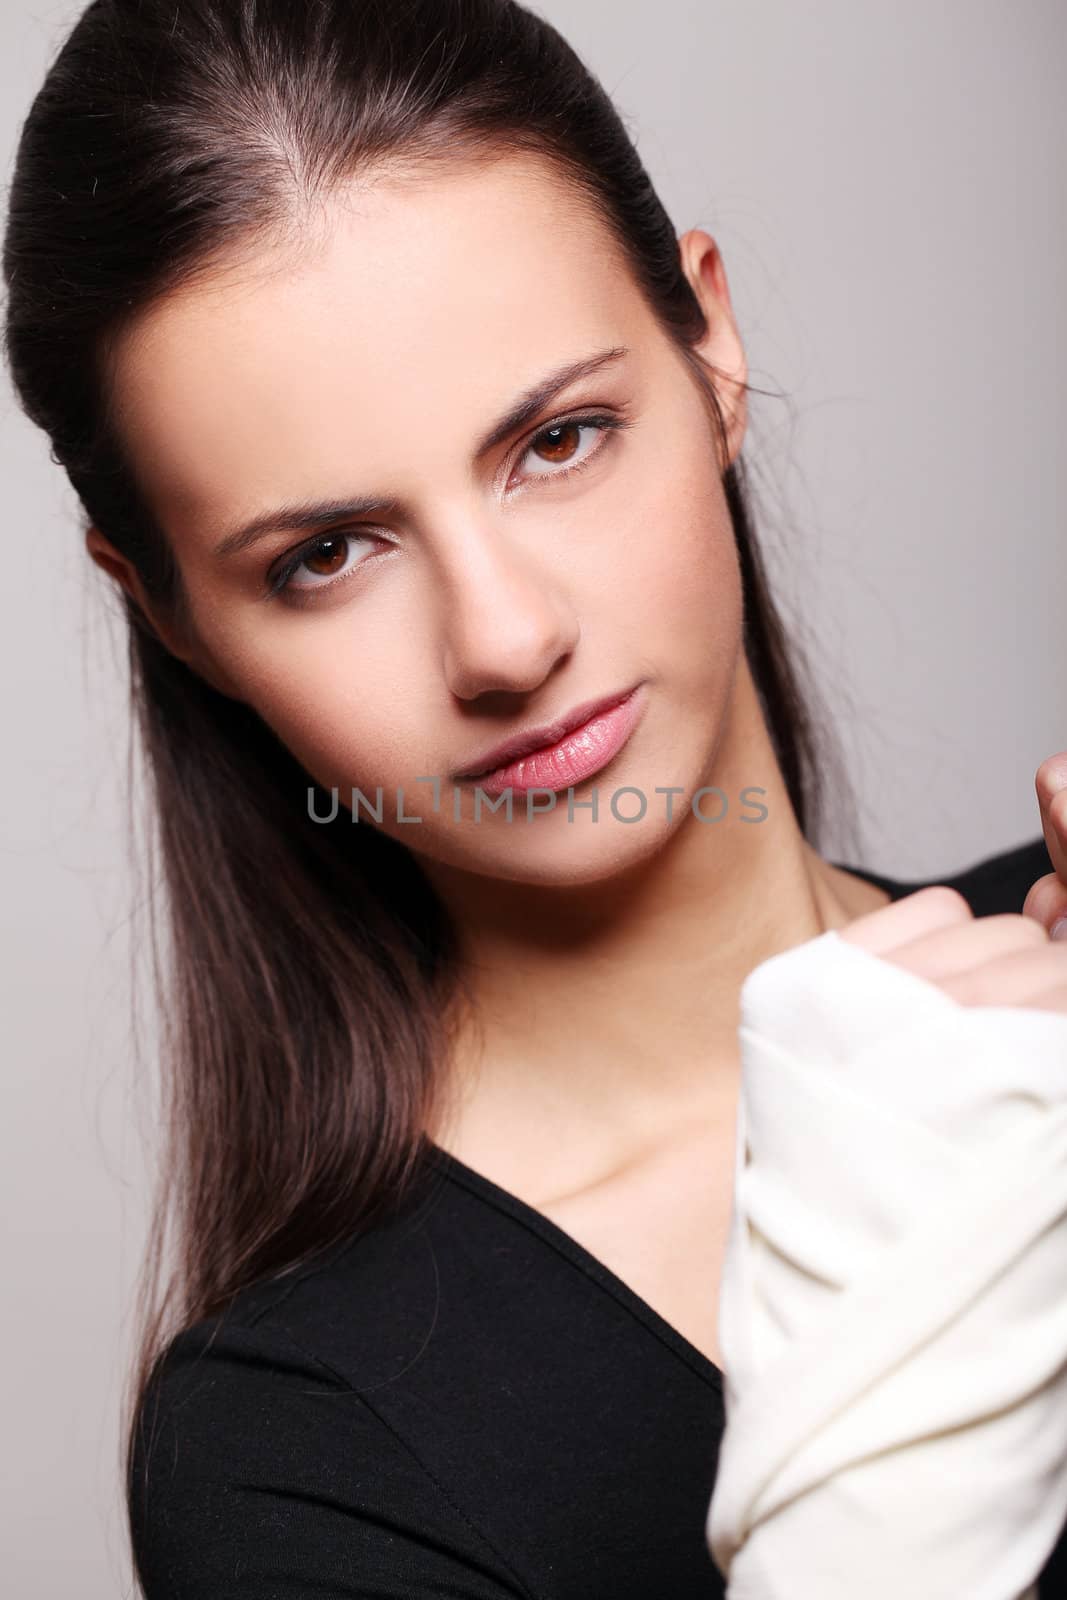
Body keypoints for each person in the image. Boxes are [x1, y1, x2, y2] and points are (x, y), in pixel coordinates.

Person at [3, 1, 1065, 1594]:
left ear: (709, 349)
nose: (504, 640)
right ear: (171, 616)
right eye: (325, 554)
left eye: (559, 441)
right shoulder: (300, 1464)